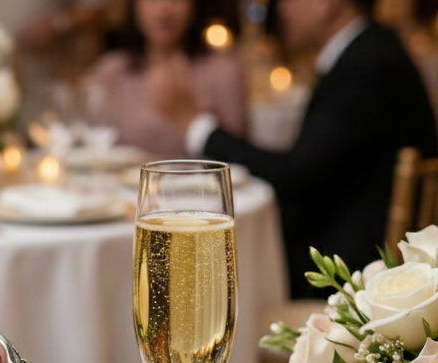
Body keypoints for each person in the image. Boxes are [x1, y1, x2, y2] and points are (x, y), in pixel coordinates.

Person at [154, 0, 438, 297]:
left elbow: (293, 175)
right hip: (347, 239)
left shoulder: (365, 63)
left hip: (349, 268)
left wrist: (196, 124)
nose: (283, 11)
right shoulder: (369, 49)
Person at [85, 0, 248, 156]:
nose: (164, 9)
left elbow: (240, 159)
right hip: (125, 184)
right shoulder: (111, 71)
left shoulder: (223, 71)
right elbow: (93, 145)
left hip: (200, 184)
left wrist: (190, 116)